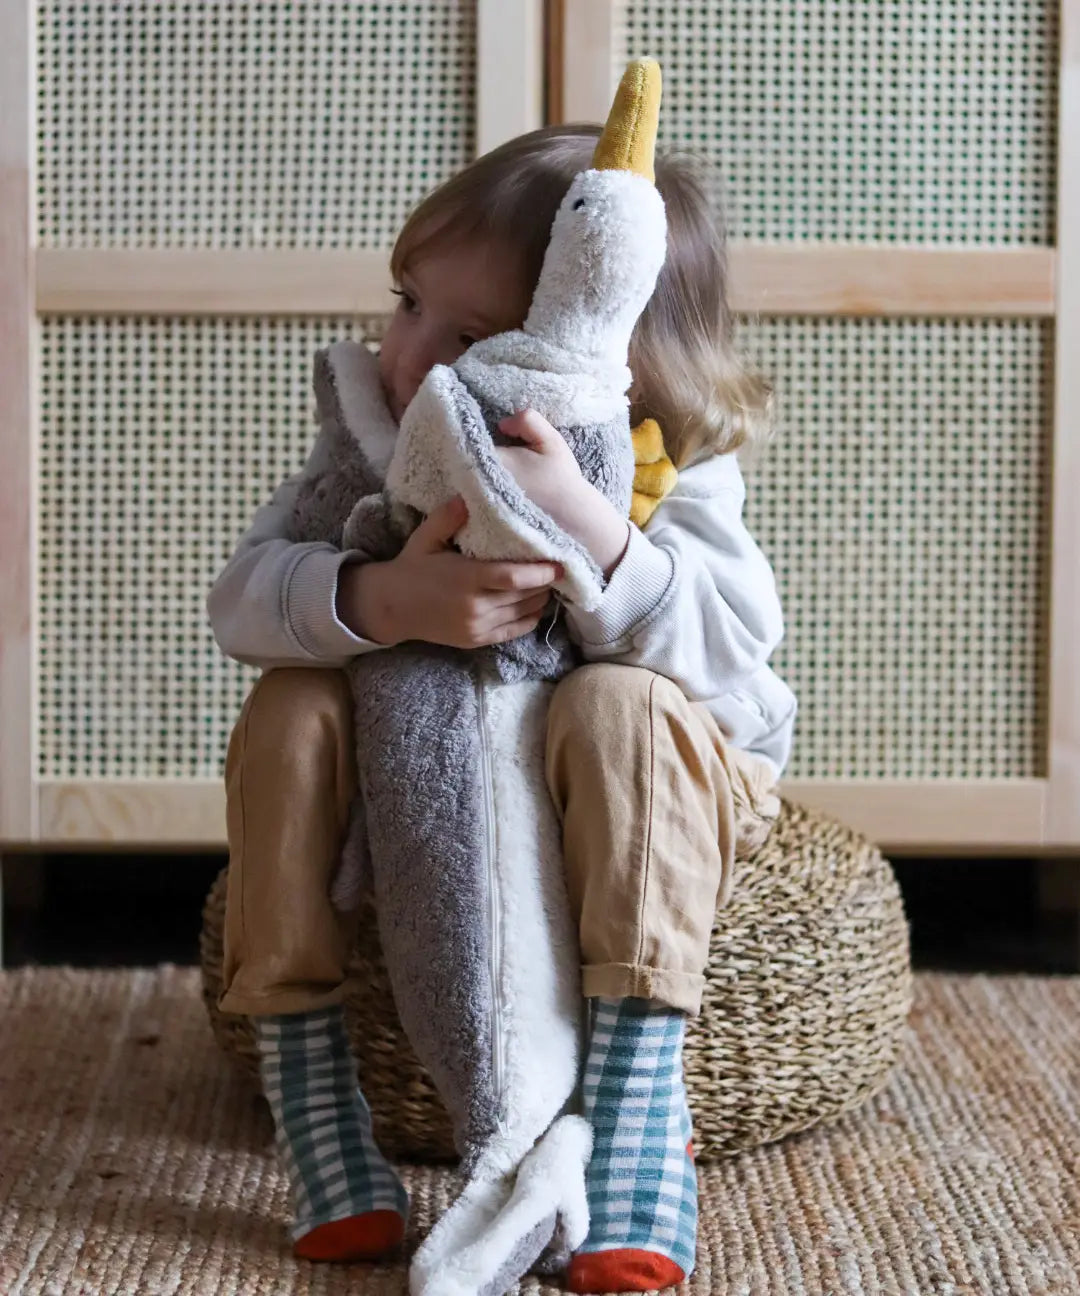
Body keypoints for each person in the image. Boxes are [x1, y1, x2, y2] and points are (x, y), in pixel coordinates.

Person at [208, 123, 797, 1294]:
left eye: (468, 336)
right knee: (290, 709)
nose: (408, 353)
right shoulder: (374, 452)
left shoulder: (667, 459)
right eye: (406, 300)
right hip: (426, 784)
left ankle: (633, 1100)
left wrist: (593, 527)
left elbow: (737, 661)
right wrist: (380, 597)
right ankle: (311, 1072)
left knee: (615, 705)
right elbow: (240, 604)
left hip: (653, 792)